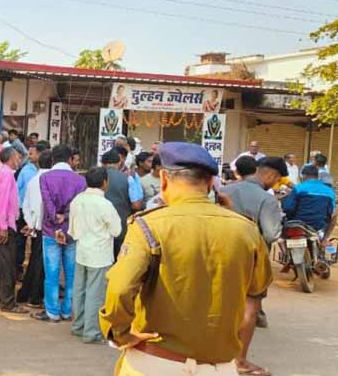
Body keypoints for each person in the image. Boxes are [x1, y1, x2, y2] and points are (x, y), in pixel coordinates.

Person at [99, 142, 272, 376]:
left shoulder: (148, 225)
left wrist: (120, 333)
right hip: (219, 366)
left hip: (155, 361)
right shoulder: (247, 229)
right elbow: (257, 288)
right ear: (211, 183)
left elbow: (119, 288)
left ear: (164, 180)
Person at [221, 156, 286, 376]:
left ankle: (210, 353)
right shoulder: (267, 200)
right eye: (277, 179)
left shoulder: (225, 190)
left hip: (216, 255)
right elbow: (271, 233)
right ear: (271, 175)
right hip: (250, 259)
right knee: (250, 307)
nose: (275, 184)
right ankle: (239, 360)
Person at [34, 145, 86, 322]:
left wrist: (56, 218)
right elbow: (80, 207)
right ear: (70, 159)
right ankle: (66, 311)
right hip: (72, 230)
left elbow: (48, 204)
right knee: (71, 274)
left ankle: (52, 311)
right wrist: (66, 216)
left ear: (52, 159)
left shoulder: (45, 177)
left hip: (51, 230)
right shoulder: (80, 180)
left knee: (52, 273)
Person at [68, 167, 120, 344]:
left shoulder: (77, 200)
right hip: (100, 253)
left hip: (82, 250)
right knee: (95, 294)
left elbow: (72, 228)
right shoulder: (105, 204)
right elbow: (116, 229)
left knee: (79, 290)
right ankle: (91, 332)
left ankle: (78, 326)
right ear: (105, 182)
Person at [0, 147, 30, 314]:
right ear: (11, 158)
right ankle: (8, 302)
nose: (19, 159)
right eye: (18, 157)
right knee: (7, 264)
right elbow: (3, 203)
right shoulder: (8, 175)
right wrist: (3, 226)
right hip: (3, 226)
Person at [17, 149, 52, 307]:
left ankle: (26, 293)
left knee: (35, 260)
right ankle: (35, 296)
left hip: (37, 225)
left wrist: (31, 224)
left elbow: (25, 204)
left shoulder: (34, 180)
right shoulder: (50, 180)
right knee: (41, 263)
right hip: (47, 226)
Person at [282, 165, 336, 236]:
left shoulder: (299, 188)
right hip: (318, 227)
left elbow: (287, 208)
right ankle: (325, 240)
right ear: (317, 177)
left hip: (297, 225)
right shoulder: (330, 191)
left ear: (304, 176)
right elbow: (332, 213)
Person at [102, 150, 136, 259]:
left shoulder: (94, 177)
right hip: (121, 226)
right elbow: (137, 205)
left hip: (99, 228)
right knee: (119, 259)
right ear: (119, 163)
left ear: (102, 163)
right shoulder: (128, 178)